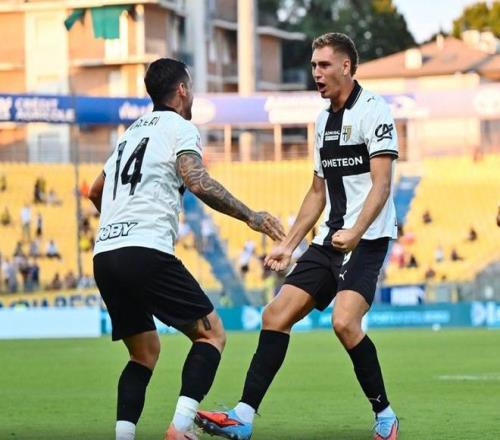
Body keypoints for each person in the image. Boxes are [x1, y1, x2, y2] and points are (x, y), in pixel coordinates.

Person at [195, 32, 400, 440]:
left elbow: (382, 185)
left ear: (346, 66)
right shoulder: (322, 121)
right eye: (313, 66)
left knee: (344, 322)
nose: (316, 73)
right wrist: (288, 245)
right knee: (275, 315)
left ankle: (385, 416)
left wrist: (356, 232)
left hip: (368, 238)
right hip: (329, 241)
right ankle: (242, 417)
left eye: (324, 65)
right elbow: (317, 192)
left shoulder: (374, 111)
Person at [88, 58, 285, 440]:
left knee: (143, 353)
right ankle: (179, 429)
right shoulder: (180, 128)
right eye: (190, 88)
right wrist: (251, 216)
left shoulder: (130, 134)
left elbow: (96, 190)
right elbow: (196, 181)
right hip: (145, 250)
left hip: (106, 253)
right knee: (212, 335)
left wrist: (117, 223)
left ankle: (124, 436)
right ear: (182, 90)